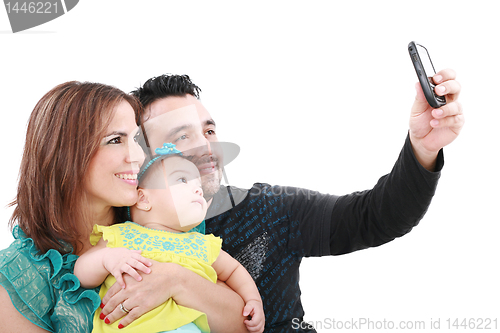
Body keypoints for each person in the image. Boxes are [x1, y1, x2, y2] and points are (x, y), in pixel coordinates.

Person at [98, 72, 464, 333]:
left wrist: (424, 147)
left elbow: (378, 217)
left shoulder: (270, 208)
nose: (207, 148)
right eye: (181, 136)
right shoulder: (114, 232)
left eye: (209, 131)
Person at [0, 81, 247, 333]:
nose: (138, 156)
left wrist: (177, 281)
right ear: (65, 154)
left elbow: (242, 325)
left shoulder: (163, 214)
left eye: (136, 139)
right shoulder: (18, 274)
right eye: (115, 140)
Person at [74, 145, 265, 333]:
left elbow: (234, 271)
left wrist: (253, 300)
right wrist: (106, 258)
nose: (198, 190)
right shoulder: (120, 235)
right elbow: (80, 273)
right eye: (182, 180)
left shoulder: (202, 244)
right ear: (143, 199)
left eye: (199, 186)